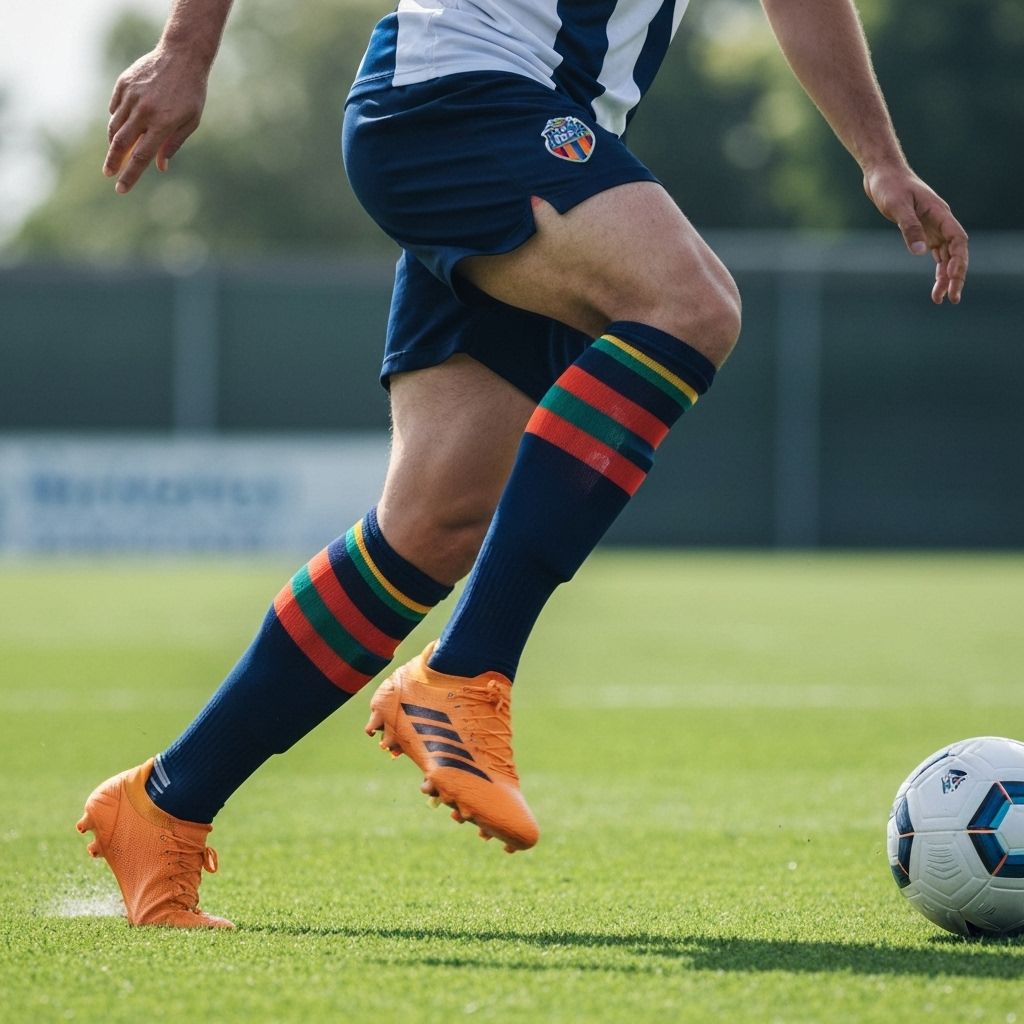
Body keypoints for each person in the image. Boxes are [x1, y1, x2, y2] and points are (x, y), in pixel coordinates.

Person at [76, 0, 969, 929]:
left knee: (430, 528)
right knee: (690, 304)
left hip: (538, 125)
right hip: (457, 98)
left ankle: (165, 804)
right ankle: (467, 672)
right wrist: (186, 50)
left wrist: (879, 158)